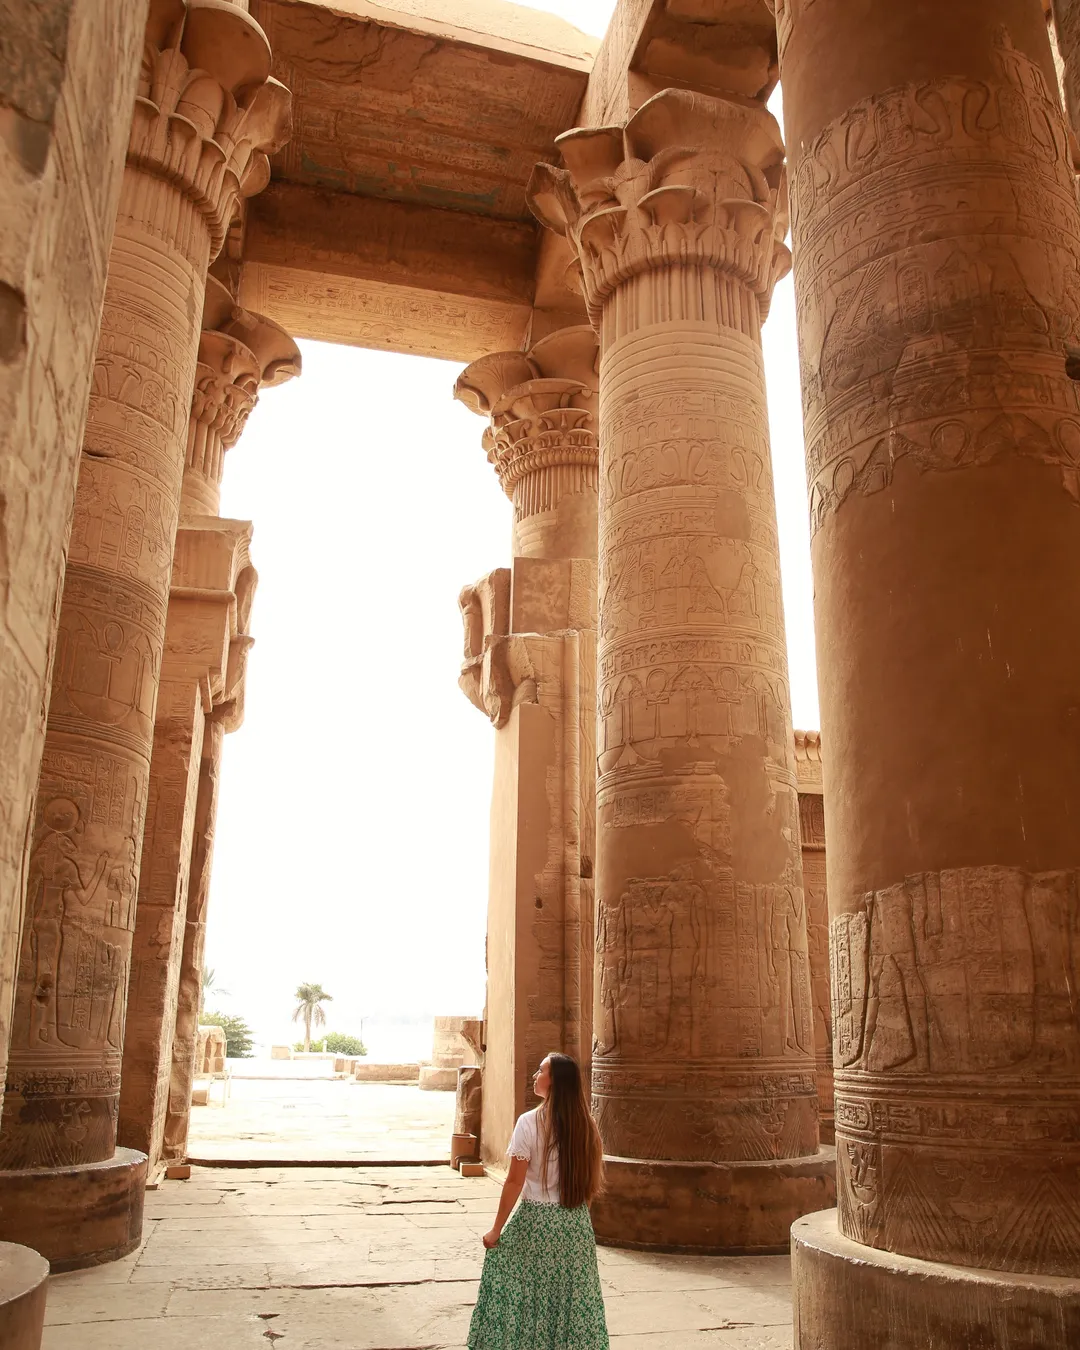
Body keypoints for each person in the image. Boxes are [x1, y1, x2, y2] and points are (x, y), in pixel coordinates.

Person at [467, 1052, 609, 1350]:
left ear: (554, 1081)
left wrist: (496, 1230)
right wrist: (577, 1223)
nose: (535, 1075)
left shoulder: (529, 1123)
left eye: (541, 1070)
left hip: (537, 1224)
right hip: (575, 1225)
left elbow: (515, 1182)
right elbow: (588, 1187)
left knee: (528, 1297)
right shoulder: (588, 1126)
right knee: (569, 1301)